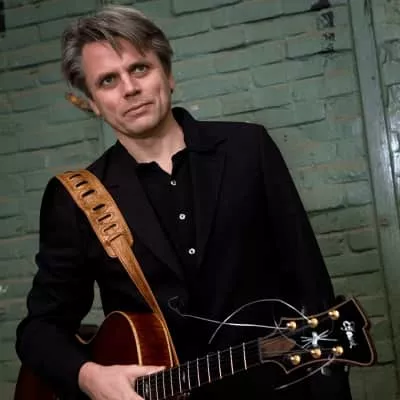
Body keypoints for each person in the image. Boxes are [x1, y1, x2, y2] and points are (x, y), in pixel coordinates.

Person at [16, 5, 352, 400]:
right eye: (108, 80)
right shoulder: (78, 198)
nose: (129, 88)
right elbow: (39, 330)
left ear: (168, 73)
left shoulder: (248, 149)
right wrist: (90, 377)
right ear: (91, 102)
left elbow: (311, 287)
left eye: (140, 68)